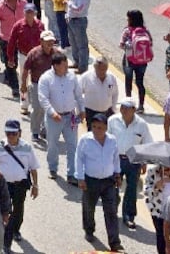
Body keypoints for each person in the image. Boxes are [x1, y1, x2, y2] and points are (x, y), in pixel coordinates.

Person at [75, 113, 123, 251]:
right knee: (89, 208)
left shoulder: (112, 140)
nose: (97, 130)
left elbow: (115, 159)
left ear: (106, 128)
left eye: (100, 127)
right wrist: (80, 178)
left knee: (111, 211)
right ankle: (89, 230)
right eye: (94, 127)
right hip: (91, 181)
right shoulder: (85, 140)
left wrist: (118, 174)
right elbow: (79, 159)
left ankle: (114, 242)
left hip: (108, 181)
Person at [0, 119, 39, 252]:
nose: (11, 136)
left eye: (14, 133)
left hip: (20, 185)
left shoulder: (27, 147)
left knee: (18, 210)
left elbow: (33, 168)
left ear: (20, 133)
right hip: (4, 185)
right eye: (8, 133)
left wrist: (35, 186)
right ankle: (6, 243)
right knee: (6, 212)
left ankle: (16, 230)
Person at [38, 51, 83, 183]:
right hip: (54, 118)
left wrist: (82, 110)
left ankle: (72, 174)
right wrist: (52, 113)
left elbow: (78, 95)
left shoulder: (72, 77)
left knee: (72, 145)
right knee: (52, 144)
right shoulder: (46, 78)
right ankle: (53, 168)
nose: (67, 68)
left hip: (70, 117)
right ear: (56, 66)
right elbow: (43, 98)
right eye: (64, 65)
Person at [109, 98, 152, 230]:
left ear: (134, 109)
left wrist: (144, 162)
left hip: (134, 161)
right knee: (112, 187)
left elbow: (147, 144)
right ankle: (111, 212)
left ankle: (129, 216)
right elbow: (107, 139)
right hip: (116, 159)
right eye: (122, 107)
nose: (123, 110)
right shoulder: (112, 120)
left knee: (132, 189)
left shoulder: (142, 125)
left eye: (127, 108)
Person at [120, 10, 153, 112]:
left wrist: (129, 46)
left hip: (129, 60)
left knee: (128, 82)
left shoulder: (127, 31)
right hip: (142, 61)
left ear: (131, 19)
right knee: (140, 82)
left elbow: (121, 44)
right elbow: (150, 44)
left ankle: (128, 104)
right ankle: (141, 106)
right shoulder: (145, 31)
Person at [80, 57, 119, 127]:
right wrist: (81, 110)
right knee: (92, 134)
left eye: (104, 69)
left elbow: (115, 93)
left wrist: (113, 108)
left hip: (108, 111)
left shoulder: (111, 77)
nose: (102, 72)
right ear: (95, 68)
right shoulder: (86, 77)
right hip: (91, 112)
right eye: (99, 69)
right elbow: (78, 94)